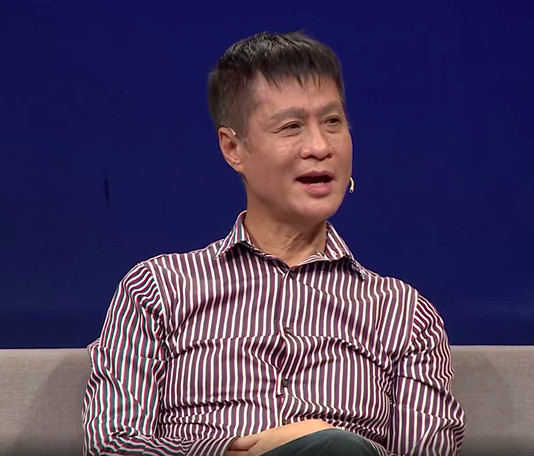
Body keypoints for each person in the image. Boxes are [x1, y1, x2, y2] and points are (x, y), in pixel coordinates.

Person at [82, 31, 466, 456]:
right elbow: (112, 445)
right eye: (291, 127)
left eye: (333, 122)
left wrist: (328, 443)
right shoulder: (157, 290)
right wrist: (238, 451)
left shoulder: (405, 316)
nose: (320, 146)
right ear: (234, 148)